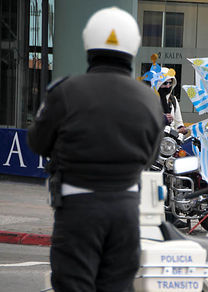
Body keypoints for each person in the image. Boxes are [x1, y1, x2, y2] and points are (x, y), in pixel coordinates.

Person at [27, 7, 164, 291]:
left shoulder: (65, 91)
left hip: (78, 209)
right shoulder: (150, 100)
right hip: (126, 211)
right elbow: (150, 158)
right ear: (133, 46)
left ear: (89, 43)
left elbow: (37, 142)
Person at [141, 54, 188, 135]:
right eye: (165, 83)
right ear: (158, 83)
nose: (168, 86)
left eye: (170, 83)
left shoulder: (172, 100)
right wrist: (162, 118)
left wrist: (182, 129)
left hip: (168, 143)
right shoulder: (147, 99)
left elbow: (179, 123)